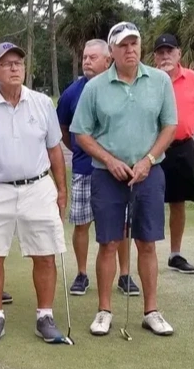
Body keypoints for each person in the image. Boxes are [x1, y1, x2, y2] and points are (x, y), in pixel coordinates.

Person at [0, 42, 70, 344]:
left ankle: (44, 316)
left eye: (18, 63)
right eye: (6, 63)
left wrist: (61, 190)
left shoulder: (42, 103)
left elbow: (55, 150)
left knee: (45, 254)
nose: (14, 68)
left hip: (37, 187)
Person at [74, 23, 178, 337]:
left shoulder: (159, 81)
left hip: (149, 173)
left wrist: (148, 160)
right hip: (108, 175)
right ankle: (104, 310)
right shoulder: (94, 87)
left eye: (134, 43)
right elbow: (81, 132)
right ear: (112, 51)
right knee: (109, 243)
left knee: (147, 243)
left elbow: (169, 126)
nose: (130, 49)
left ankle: (151, 311)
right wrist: (109, 160)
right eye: (123, 45)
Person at [55, 39, 137, 298]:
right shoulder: (72, 93)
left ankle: (124, 274)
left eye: (92, 57)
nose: (86, 61)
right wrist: (84, 149)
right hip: (84, 167)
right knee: (81, 223)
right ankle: (81, 273)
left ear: (107, 60)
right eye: (84, 57)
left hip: (119, 170)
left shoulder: (122, 86)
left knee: (122, 225)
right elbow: (65, 130)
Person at [151, 33, 194, 275]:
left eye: (170, 51)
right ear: (155, 57)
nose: (165, 55)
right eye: (160, 52)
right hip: (152, 148)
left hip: (181, 149)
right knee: (148, 201)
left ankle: (175, 254)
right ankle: (148, 254)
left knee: (178, 204)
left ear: (179, 54)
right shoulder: (148, 79)